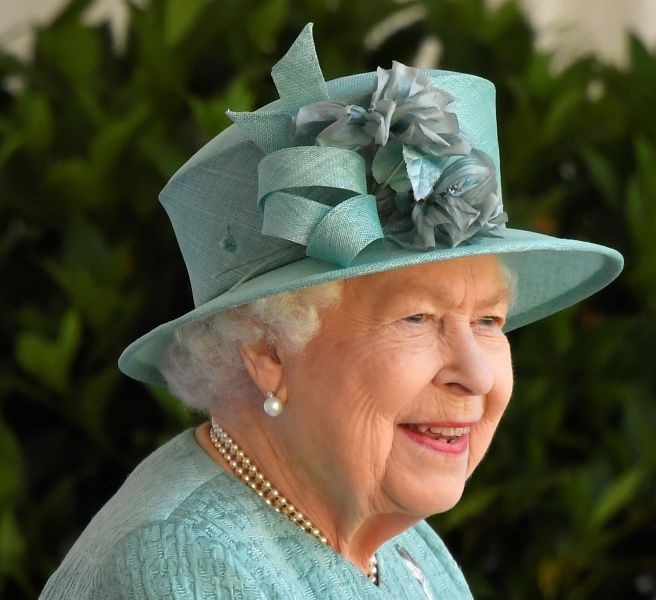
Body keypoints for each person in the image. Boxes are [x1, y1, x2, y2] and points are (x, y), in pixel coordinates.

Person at [40, 23, 622, 599]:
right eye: (417, 318)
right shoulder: (184, 562)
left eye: (488, 321)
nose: (475, 374)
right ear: (268, 351)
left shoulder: (397, 537)